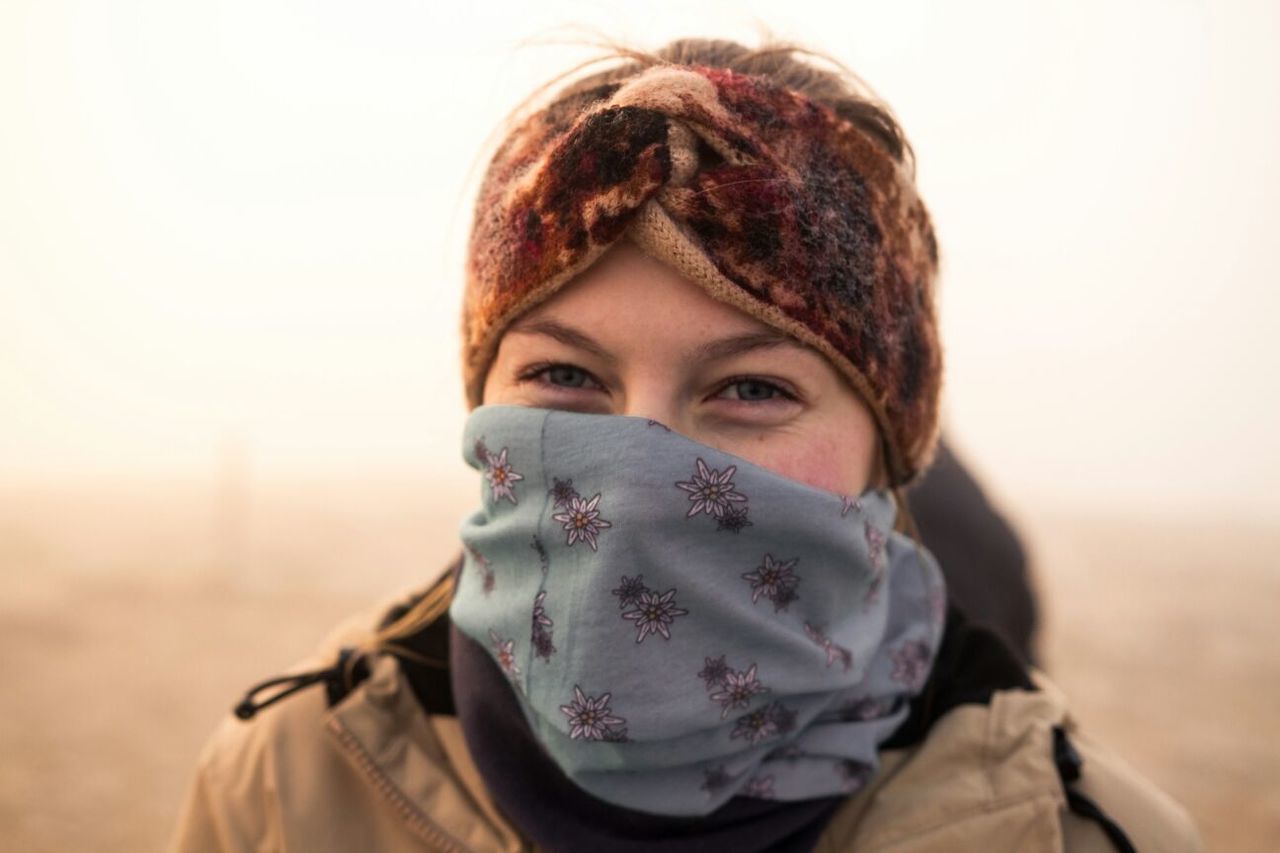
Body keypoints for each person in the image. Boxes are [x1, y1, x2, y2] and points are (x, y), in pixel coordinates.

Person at [169, 37, 1201, 852]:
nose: (637, 475)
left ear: (886, 450)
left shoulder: (1088, 834)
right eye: (564, 376)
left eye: (752, 388)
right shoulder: (285, 786)